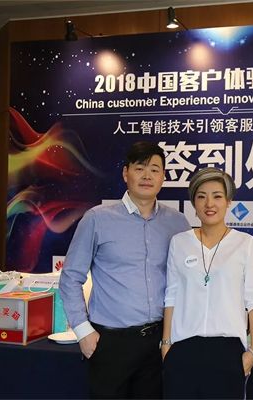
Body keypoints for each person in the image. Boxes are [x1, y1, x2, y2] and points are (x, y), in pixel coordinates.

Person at [59, 141, 190, 399]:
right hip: (110, 343)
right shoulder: (97, 219)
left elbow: (188, 280)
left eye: (154, 169)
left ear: (163, 177)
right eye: (140, 168)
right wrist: (83, 332)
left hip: (159, 341)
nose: (147, 176)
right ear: (125, 173)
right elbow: (70, 278)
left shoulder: (177, 223)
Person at [162, 167, 253, 399]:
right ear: (194, 203)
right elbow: (172, 295)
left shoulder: (245, 243)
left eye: (217, 196)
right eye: (201, 196)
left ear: (228, 201)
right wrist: (166, 345)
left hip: (228, 351)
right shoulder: (179, 242)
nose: (209, 203)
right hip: (183, 350)